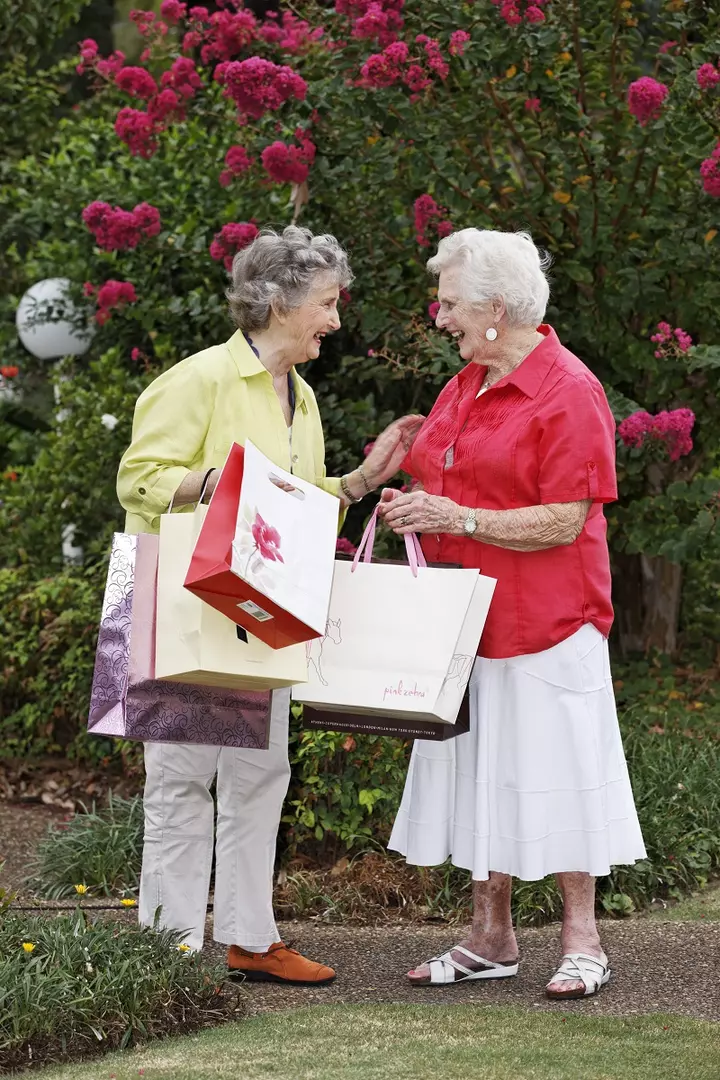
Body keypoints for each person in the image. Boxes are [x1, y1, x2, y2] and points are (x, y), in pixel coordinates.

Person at [117, 225, 421, 984]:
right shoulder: (199, 381)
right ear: (277, 301)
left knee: (260, 774)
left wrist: (359, 480)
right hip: (184, 606)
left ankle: (251, 937)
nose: (335, 320)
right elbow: (139, 479)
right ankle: (168, 954)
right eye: (326, 303)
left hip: (261, 609)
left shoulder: (305, 397)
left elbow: (301, 508)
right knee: (183, 779)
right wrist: (222, 482)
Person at [380, 228, 646, 1000]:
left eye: (451, 304)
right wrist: (409, 502)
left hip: (547, 623)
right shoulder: (462, 386)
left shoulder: (570, 389)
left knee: (560, 773)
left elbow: (565, 518)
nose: (441, 318)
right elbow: (443, 482)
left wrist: (458, 519)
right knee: (479, 776)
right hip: (464, 624)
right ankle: (490, 938)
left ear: (497, 309)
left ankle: (583, 942)